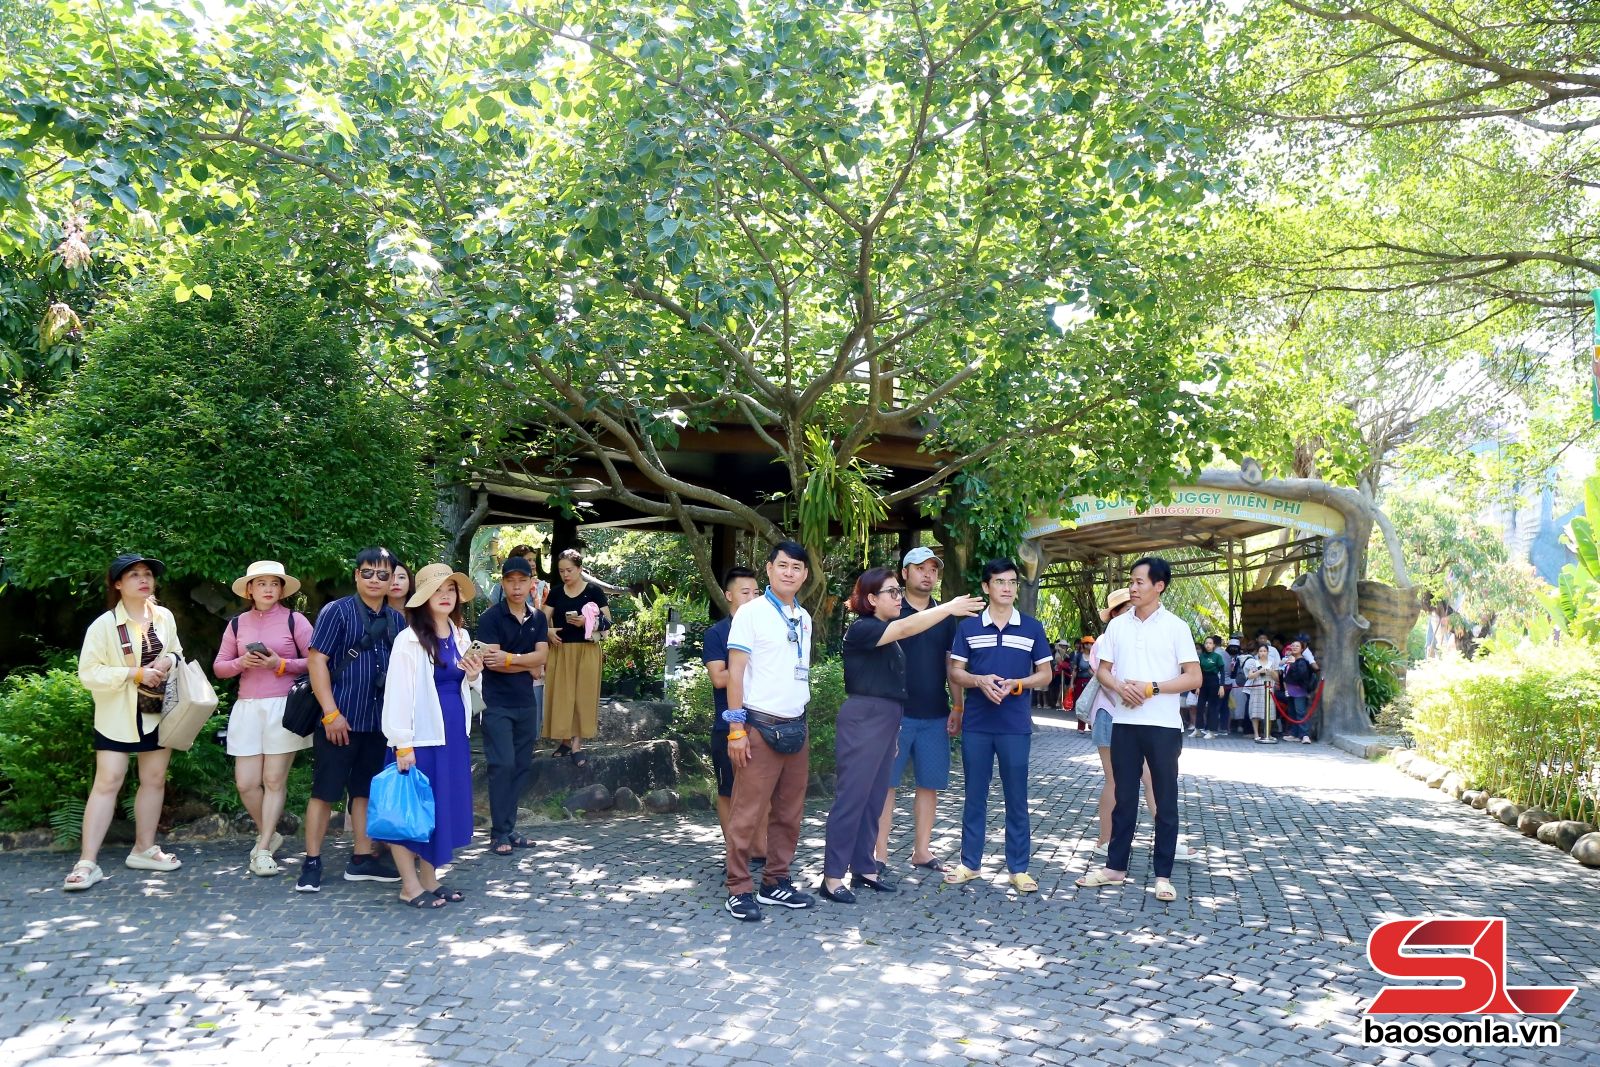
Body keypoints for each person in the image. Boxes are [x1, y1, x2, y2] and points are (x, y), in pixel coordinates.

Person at [822, 568, 980, 903]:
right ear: (871, 599)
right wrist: (948, 607)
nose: (898, 598)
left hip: (889, 717)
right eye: (891, 592)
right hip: (865, 716)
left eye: (898, 591)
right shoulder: (864, 628)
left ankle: (864, 867)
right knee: (852, 798)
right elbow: (908, 626)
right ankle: (832, 876)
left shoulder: (887, 635)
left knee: (874, 797)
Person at [1078, 556, 1201, 903]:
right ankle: (1115, 868)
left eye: (1139, 582)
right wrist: (1120, 687)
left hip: (1163, 726)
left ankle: (1163, 875)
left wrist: (1152, 688)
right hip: (1124, 723)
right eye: (1130, 581)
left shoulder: (1177, 626)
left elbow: (1194, 677)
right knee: (1124, 798)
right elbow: (1103, 671)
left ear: (1159, 586)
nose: (1132, 587)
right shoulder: (1117, 626)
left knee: (1165, 800)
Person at [65, 554, 185, 891]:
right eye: (134, 575)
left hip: (157, 711)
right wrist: (135, 673)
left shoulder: (164, 617)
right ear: (117, 584)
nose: (144, 579)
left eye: (148, 574)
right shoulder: (104, 625)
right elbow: (89, 673)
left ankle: (144, 849)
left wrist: (167, 661)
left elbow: (177, 652)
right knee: (108, 781)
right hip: (117, 715)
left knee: (154, 779)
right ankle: (87, 863)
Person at [298, 547, 407, 893]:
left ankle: (361, 857)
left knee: (364, 791)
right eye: (368, 573)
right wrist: (331, 713)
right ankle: (312, 861)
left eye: (383, 574)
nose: (375, 580)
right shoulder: (337, 611)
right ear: (356, 575)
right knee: (325, 791)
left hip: (378, 722)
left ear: (392, 580)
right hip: (339, 718)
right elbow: (317, 661)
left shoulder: (397, 620)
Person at [945, 559, 1053, 892]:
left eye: (1012, 582)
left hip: (1015, 726)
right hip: (977, 724)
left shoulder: (1032, 627)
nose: (1007, 588)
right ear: (985, 587)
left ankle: (1018, 868)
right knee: (974, 796)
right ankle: (970, 864)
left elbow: (1046, 676)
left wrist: (1017, 684)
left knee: (1017, 797)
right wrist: (978, 680)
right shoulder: (968, 627)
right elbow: (955, 671)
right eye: (999, 581)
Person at [722, 541, 816, 921]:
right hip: (759, 726)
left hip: (797, 724)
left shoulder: (803, 618)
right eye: (783, 565)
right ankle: (738, 887)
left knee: (789, 813)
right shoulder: (752, 613)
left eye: (797, 567)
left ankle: (775, 881)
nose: (789, 573)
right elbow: (735, 673)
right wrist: (736, 729)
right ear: (769, 569)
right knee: (747, 813)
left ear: (805, 575)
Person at [380, 564, 483, 908]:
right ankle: (409, 885)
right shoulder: (408, 640)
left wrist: (474, 675)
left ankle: (429, 878)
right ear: (423, 597)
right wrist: (402, 743)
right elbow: (398, 695)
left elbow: (469, 687)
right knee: (410, 808)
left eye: (450, 590)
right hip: (419, 737)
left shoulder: (461, 636)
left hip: (452, 736)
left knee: (439, 806)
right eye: (437, 590)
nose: (445, 596)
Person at [214, 560, 313, 877]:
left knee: (273, 780)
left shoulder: (295, 620)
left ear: (282, 590)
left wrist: (279, 664)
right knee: (246, 783)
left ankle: (265, 848)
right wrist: (241, 662)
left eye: (274, 583)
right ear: (249, 590)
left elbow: (317, 660)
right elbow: (219, 667)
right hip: (247, 707)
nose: (268, 589)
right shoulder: (237, 624)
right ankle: (270, 833)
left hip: (285, 706)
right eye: (261, 583)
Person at [874, 546, 966, 873]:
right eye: (920, 568)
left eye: (933, 569)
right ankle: (879, 854)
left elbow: (952, 664)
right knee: (886, 784)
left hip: (935, 713)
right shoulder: (891, 610)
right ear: (904, 573)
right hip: (895, 714)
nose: (928, 575)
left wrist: (957, 705)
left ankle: (922, 851)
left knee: (929, 784)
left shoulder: (945, 615)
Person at [1087, 589, 1189, 861]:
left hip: (1143, 717)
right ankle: (1105, 839)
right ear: (1115, 613)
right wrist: (1128, 692)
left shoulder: (1164, 629)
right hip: (1111, 715)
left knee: (1151, 779)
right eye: (1126, 606)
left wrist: (1146, 692)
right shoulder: (1107, 638)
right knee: (1116, 780)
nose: (1133, 608)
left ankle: (1166, 840)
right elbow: (1106, 676)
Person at [477, 556, 551, 855]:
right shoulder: (490, 618)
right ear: (503, 583)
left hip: (526, 702)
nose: (517, 587)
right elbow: (492, 662)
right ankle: (498, 833)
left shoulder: (538, 618)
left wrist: (511, 659)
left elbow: (543, 657)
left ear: (532, 583)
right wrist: (526, 663)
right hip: (496, 703)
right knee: (502, 765)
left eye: (522, 581)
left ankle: (508, 828)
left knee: (521, 766)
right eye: (511, 581)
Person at [702, 566, 763, 845]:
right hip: (728, 724)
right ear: (729, 595)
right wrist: (755, 668)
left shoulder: (768, 629)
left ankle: (760, 847)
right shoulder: (717, 633)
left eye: (756, 593)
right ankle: (734, 850)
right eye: (745, 592)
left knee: (763, 789)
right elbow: (718, 678)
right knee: (728, 789)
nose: (752, 598)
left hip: (764, 721)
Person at [542, 548, 610, 768]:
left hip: (587, 650)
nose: (565, 575)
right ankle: (564, 740)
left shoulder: (593, 591)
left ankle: (577, 745)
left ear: (579, 569)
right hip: (561, 651)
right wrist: (548, 632)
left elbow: (608, 622)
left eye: (569, 570)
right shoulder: (555, 593)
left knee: (583, 697)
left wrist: (586, 622)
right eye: (561, 571)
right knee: (562, 697)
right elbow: (541, 620)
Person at [1241, 637, 1280, 744]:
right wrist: (1259, 671)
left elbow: (1277, 678)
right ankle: (1256, 734)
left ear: (1268, 652)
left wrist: (1271, 671)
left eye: (1264, 651)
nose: (1262, 653)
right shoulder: (1254, 663)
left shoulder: (1272, 663)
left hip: (1269, 689)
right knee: (1255, 712)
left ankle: (1268, 733)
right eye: (1261, 651)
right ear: (1258, 652)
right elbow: (1250, 676)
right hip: (1257, 689)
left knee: (1269, 712)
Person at [1279, 639, 1316, 744]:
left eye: (1297, 646)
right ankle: (1295, 734)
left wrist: (1293, 664)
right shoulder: (1289, 660)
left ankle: (1305, 735)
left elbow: (1301, 676)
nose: (1294, 647)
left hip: (1299, 691)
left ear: (1302, 649)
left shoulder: (1302, 662)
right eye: (1293, 646)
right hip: (1290, 690)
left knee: (1301, 713)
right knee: (1292, 713)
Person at [1196, 636, 1228, 740]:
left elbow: (1222, 672)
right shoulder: (1201, 657)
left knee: (1212, 707)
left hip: (1214, 681)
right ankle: (1198, 729)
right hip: (1203, 682)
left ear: (1214, 645)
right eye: (1206, 643)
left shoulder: (1217, 657)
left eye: (1210, 643)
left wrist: (1222, 686)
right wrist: (1197, 686)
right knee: (1200, 706)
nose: (1208, 645)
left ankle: (1212, 731)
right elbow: (1198, 672)